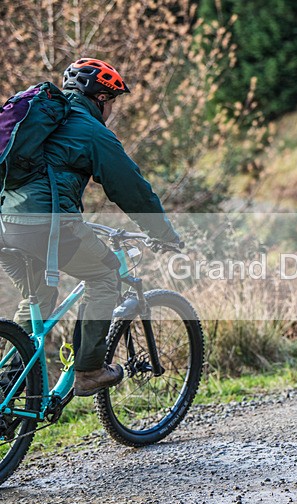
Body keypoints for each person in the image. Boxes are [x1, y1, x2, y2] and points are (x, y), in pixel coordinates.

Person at [0, 58, 181, 396]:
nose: (112, 109)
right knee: (104, 276)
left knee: (38, 297)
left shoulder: (45, 119)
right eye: (112, 101)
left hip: (6, 224)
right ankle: (89, 371)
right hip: (48, 226)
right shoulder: (91, 130)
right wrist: (163, 233)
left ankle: (7, 386)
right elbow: (131, 188)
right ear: (101, 98)